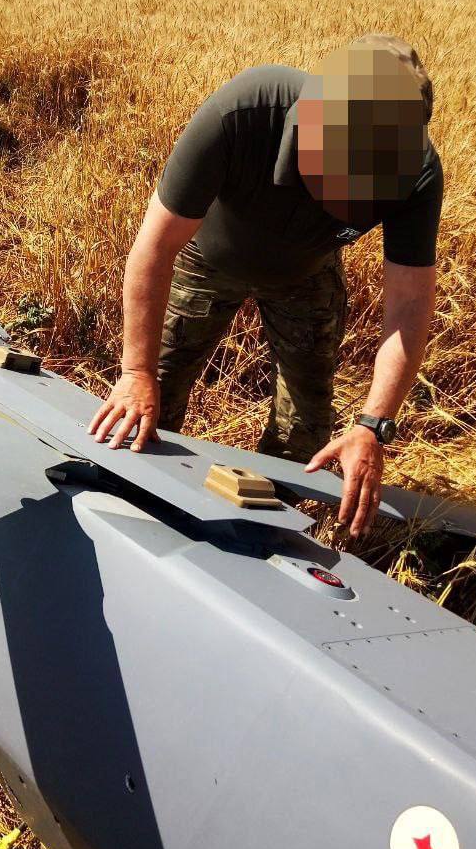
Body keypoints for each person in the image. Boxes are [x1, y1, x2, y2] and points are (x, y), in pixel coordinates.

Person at [88, 33, 443, 539]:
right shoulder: (244, 112)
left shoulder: (416, 172)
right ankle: (140, 513)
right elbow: (155, 248)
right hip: (208, 257)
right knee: (149, 401)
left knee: (306, 431)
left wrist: (373, 424)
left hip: (307, 274)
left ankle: (257, 532)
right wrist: (136, 370)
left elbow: (409, 303)